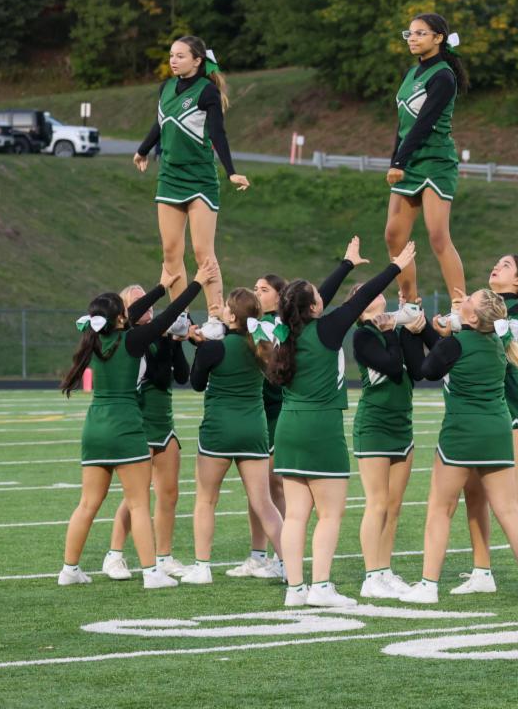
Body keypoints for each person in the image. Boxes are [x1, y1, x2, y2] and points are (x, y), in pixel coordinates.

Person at [270, 238, 417, 608]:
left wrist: (347, 263)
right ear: (313, 307)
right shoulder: (326, 329)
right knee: (330, 514)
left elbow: (316, 297)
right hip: (321, 430)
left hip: (288, 429)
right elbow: (360, 297)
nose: (324, 297)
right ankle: (321, 587)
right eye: (317, 296)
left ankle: (295, 590)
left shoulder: (287, 330)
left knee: (295, 516)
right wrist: (395, 266)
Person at [58, 259, 217, 588]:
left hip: (94, 426)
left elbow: (141, 313)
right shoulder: (132, 341)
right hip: (126, 427)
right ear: (122, 317)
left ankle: (69, 570)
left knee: (87, 504)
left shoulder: (93, 340)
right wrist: (197, 283)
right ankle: (152, 573)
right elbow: (171, 314)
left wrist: (161, 286)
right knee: (139, 504)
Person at [398, 289, 518, 605]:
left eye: (469, 300)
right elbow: (448, 352)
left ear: (474, 317)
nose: (463, 300)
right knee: (508, 509)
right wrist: (443, 330)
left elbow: (426, 370)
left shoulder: (456, 344)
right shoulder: (500, 343)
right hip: (497, 432)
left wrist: (414, 332)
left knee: (441, 508)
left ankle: (428, 585)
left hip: (462, 433)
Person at [134, 34, 248, 341]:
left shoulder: (207, 91)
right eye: (171, 55)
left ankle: (215, 316)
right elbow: (161, 122)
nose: (173, 60)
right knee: (171, 251)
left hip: (200, 180)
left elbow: (218, 134)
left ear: (197, 60)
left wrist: (231, 172)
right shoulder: (166, 88)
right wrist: (143, 150)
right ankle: (180, 317)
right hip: (169, 177)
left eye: (180, 56)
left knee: (201, 250)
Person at [452, 254, 518, 596]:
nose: (496, 266)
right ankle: (482, 571)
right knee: (473, 491)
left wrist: (458, 320)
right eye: (496, 262)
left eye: (506, 265)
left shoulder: (516, 310)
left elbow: (500, 334)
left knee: (509, 493)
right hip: (481, 410)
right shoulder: (486, 305)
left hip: (508, 408)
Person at [180, 288, 285, 585]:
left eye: (227, 307)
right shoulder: (261, 346)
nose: (223, 310)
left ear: (233, 316)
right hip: (254, 430)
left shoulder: (214, 348)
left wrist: (200, 347)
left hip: (219, 430)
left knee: (206, 500)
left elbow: (196, 383)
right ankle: (289, 565)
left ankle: (202, 567)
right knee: (264, 503)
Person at [383, 13, 468, 326]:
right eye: (410, 33)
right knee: (393, 235)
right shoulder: (411, 73)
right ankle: (410, 305)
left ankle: (460, 308)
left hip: (435, 160)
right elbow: (403, 124)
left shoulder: (443, 76)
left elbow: (424, 123)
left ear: (438, 38)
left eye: (420, 33)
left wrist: (400, 161)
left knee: (437, 235)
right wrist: (395, 161)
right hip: (410, 159)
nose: (412, 38)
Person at [102, 284, 189, 580]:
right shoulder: (131, 339)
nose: (147, 305)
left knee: (169, 493)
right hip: (140, 421)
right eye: (139, 301)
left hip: (164, 422)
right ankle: (114, 555)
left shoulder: (160, 335)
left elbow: (182, 376)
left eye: (147, 301)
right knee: (135, 495)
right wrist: (163, 332)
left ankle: (164, 556)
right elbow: (155, 374)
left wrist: (177, 340)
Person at [351, 286, 427, 598]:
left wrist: (411, 326)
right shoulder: (363, 336)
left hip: (402, 424)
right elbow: (393, 366)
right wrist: (391, 332)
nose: (375, 293)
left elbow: (418, 371)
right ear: (359, 309)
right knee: (378, 503)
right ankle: (371, 578)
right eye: (364, 292)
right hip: (375, 425)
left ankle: (384, 571)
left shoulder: (393, 329)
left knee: (394, 506)